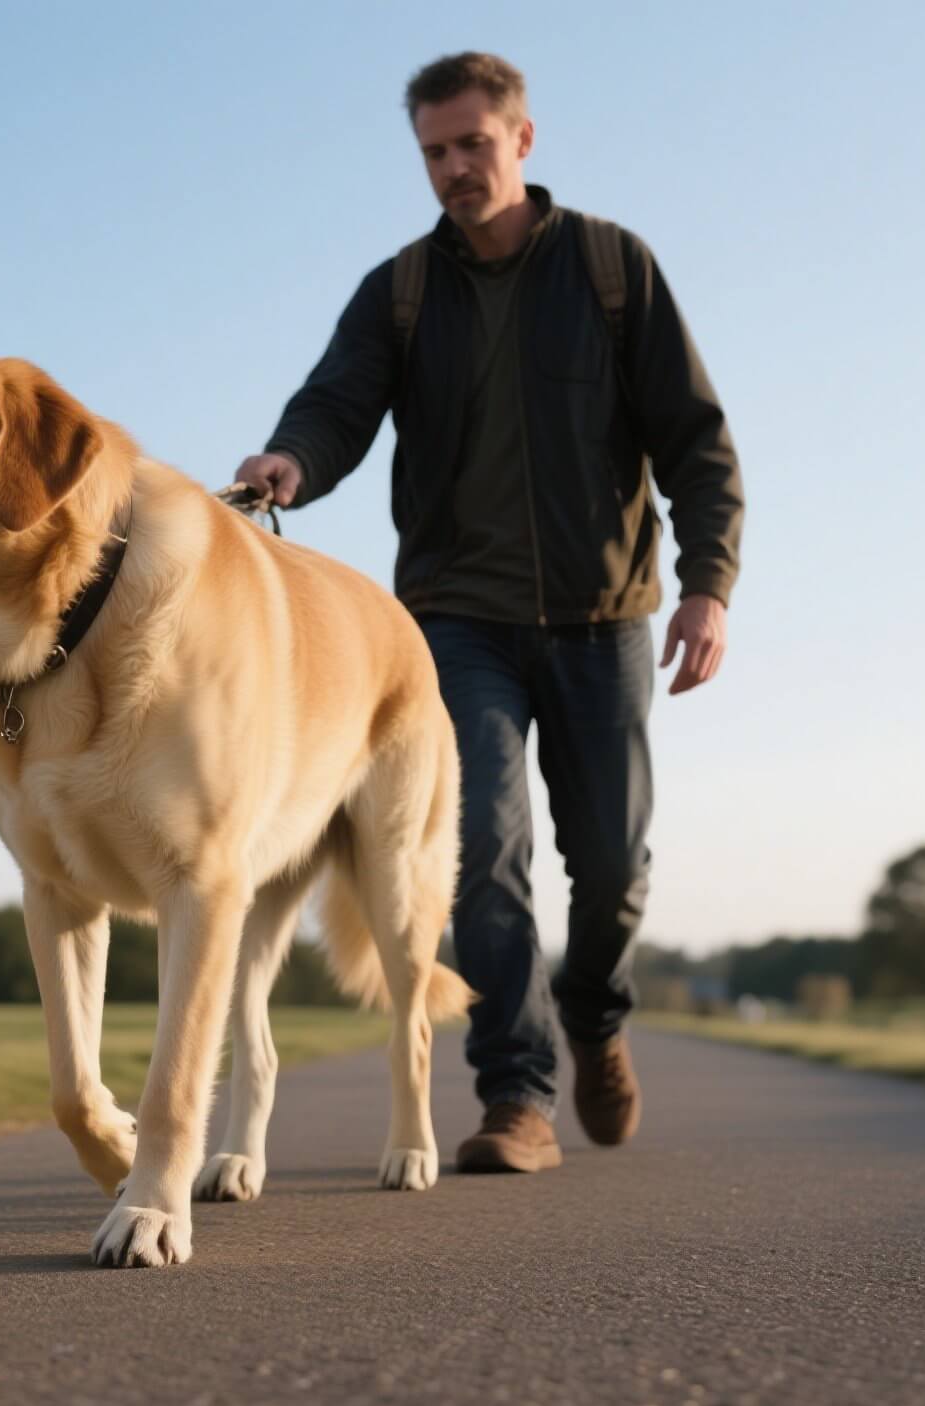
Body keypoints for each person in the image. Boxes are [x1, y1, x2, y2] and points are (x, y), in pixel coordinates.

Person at [235, 51, 743, 1172]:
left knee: (610, 864)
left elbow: (696, 445)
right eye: (433, 152)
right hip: (453, 625)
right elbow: (335, 407)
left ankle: (596, 1015)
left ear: (522, 138)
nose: (454, 168)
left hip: (604, 615)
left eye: (472, 143)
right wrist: (286, 464)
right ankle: (515, 1096)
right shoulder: (401, 293)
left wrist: (707, 583)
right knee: (479, 854)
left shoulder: (613, 270)